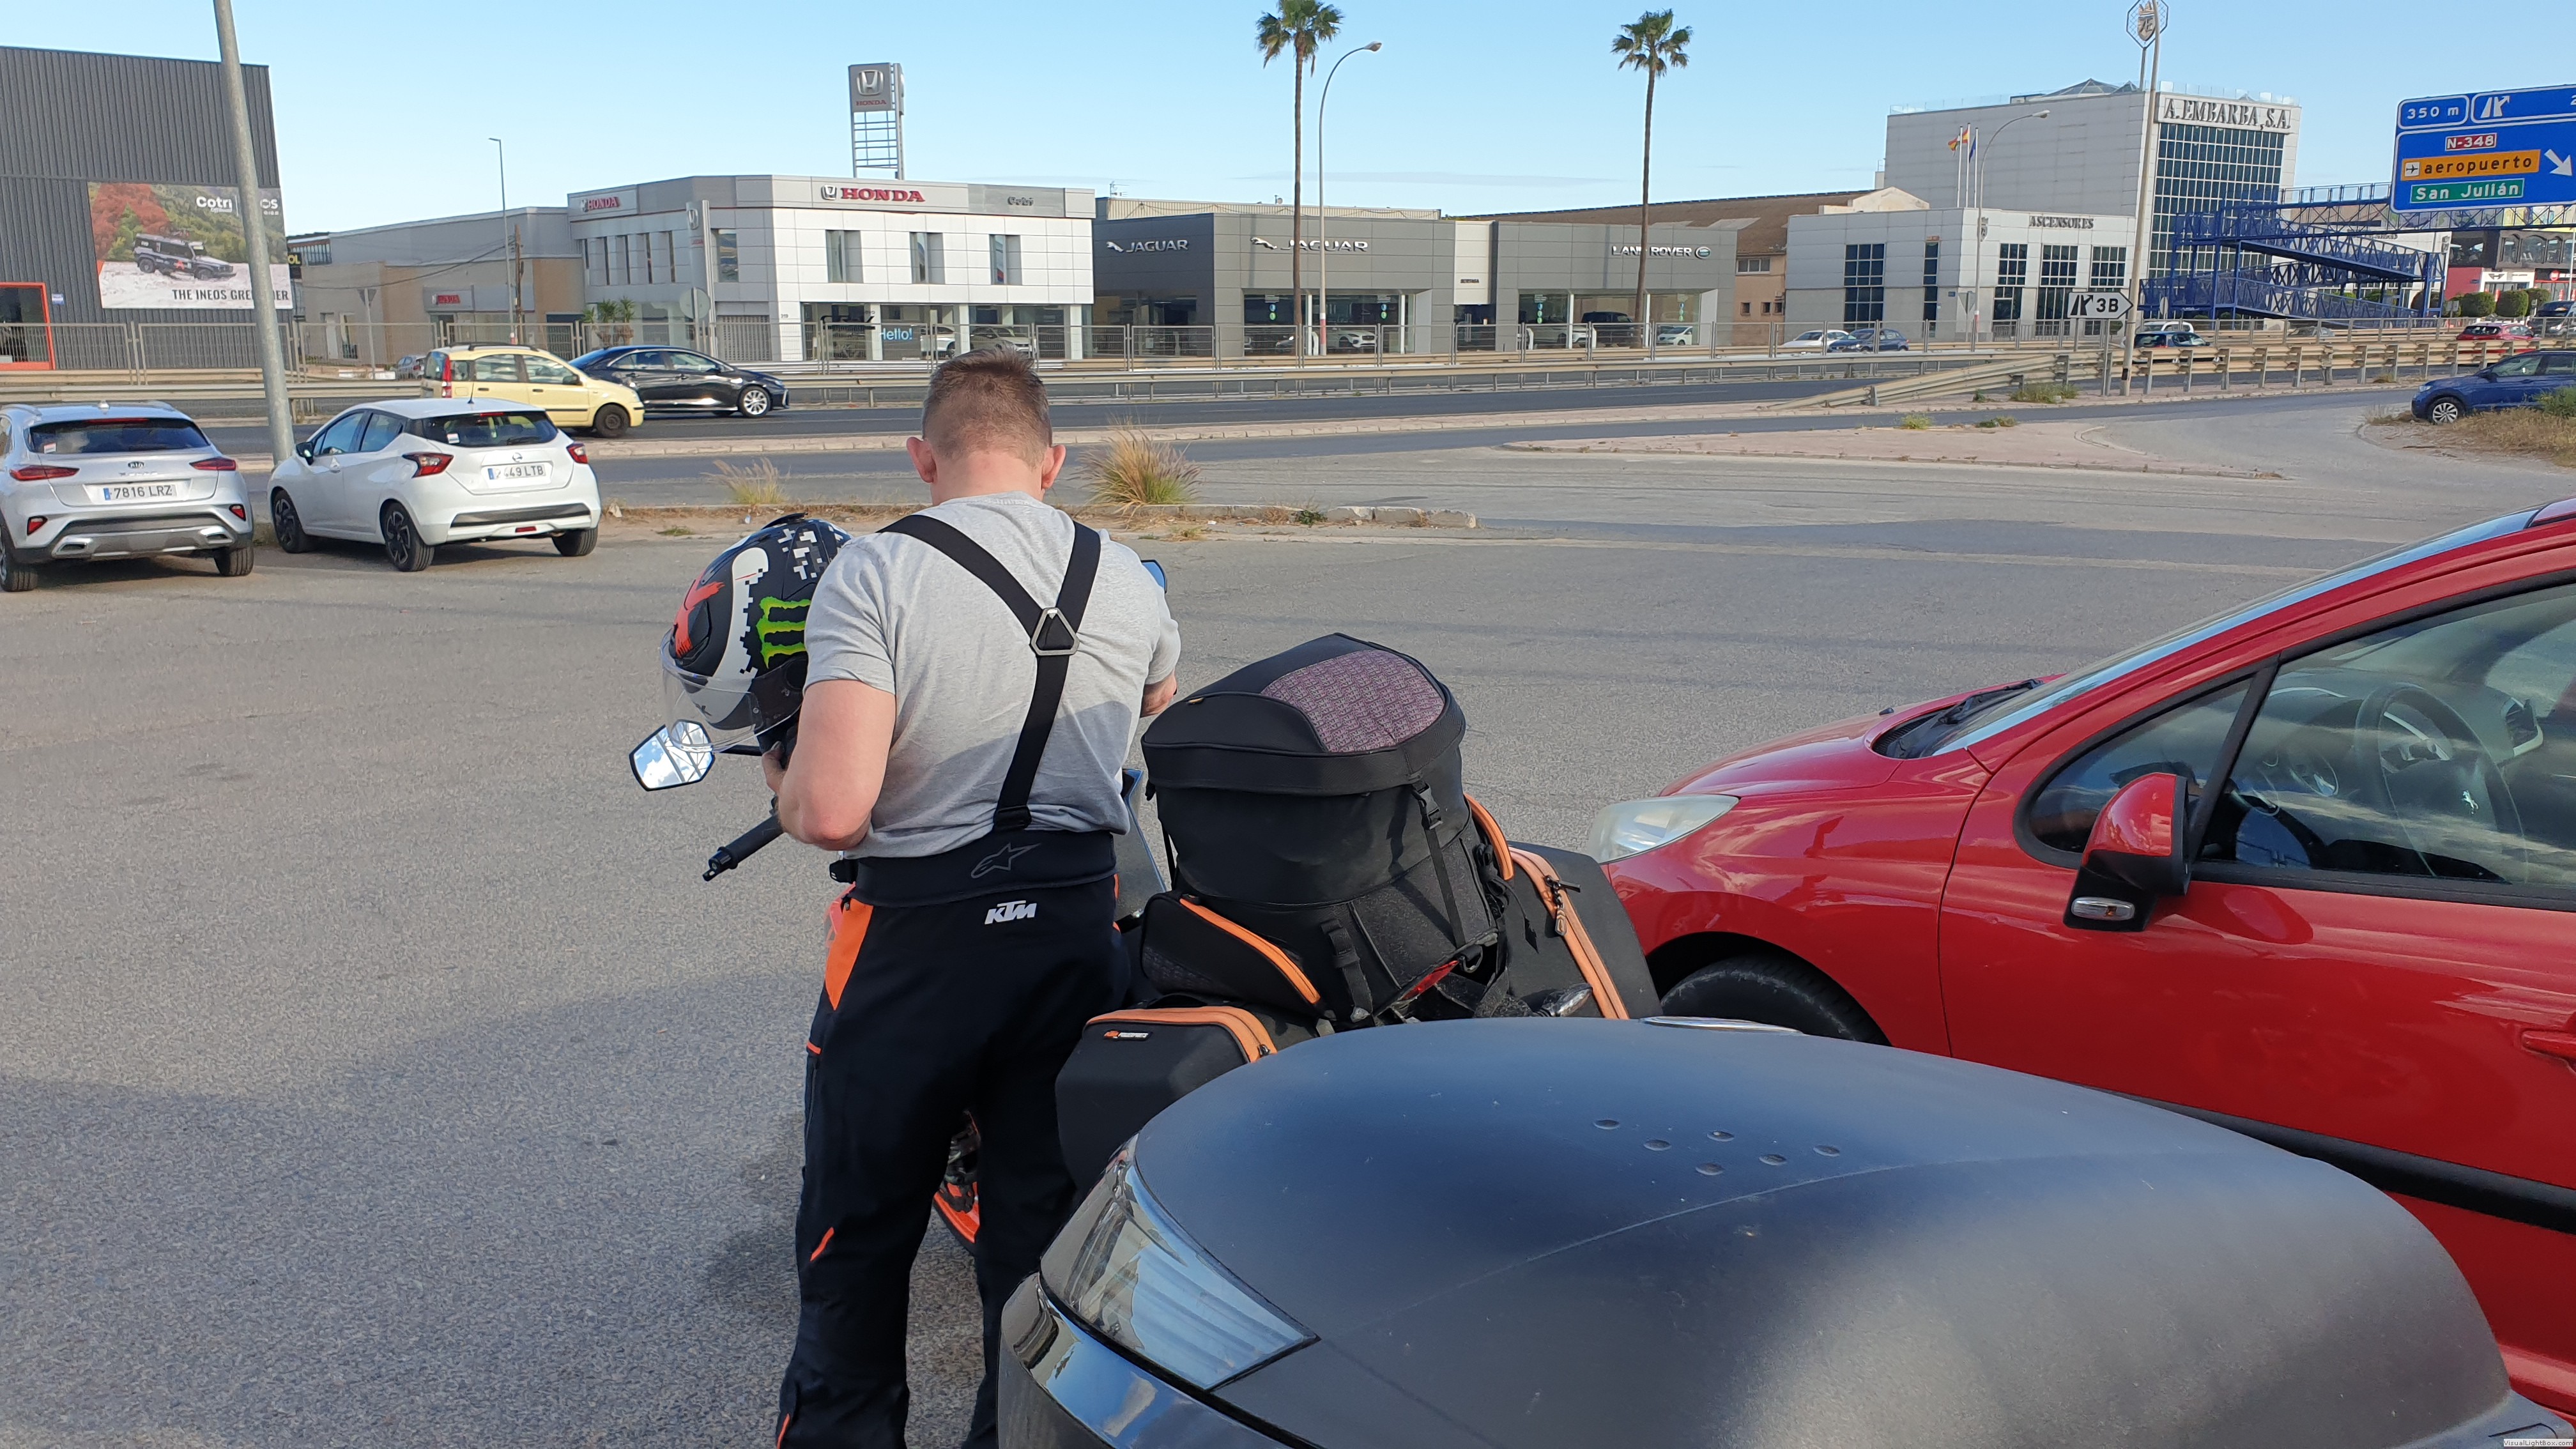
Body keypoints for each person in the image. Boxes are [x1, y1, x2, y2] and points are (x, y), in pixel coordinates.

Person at [765, 346, 1180, 1448]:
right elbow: (1156, 702)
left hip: (916, 947)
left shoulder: (877, 572)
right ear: (1052, 462)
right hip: (1074, 938)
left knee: (855, 1238)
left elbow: (832, 812)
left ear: (923, 457)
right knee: (1039, 1240)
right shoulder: (1124, 571)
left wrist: (782, 774)